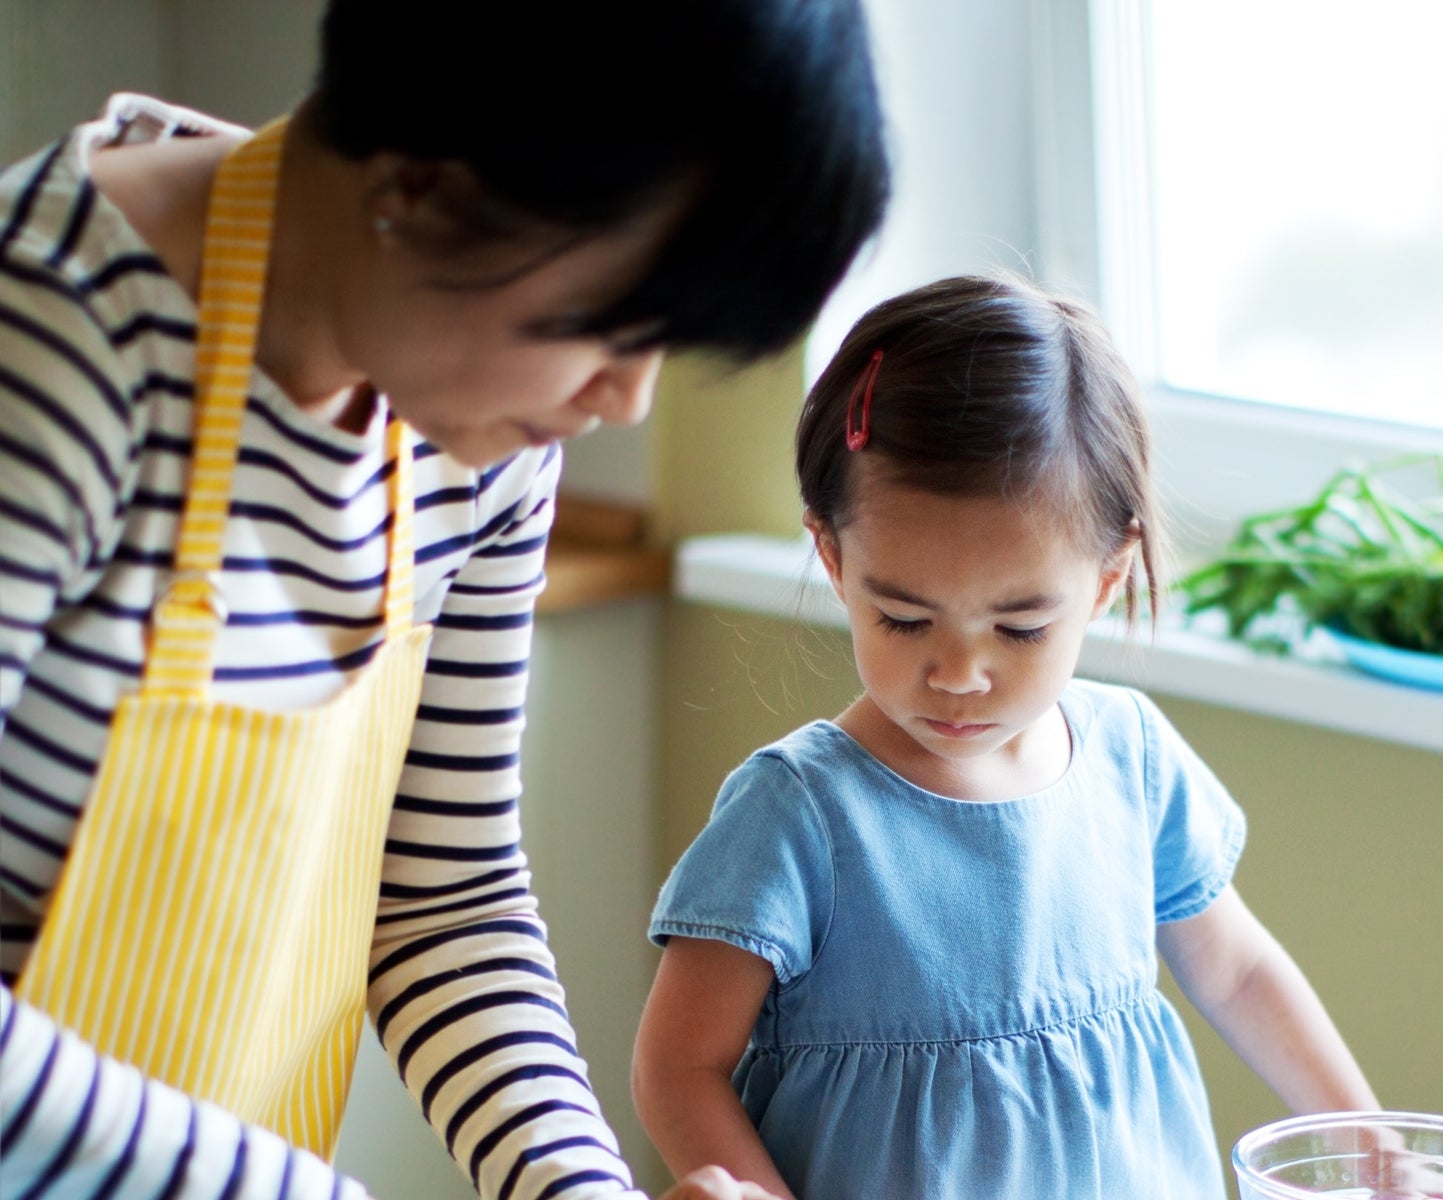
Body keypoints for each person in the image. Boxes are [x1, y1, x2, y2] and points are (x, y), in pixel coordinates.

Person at [0, 3, 888, 1199]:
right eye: (610, 324)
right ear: (421, 183)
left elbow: (443, 895)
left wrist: (576, 1186)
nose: (624, 401)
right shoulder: (52, 343)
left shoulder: (479, 442)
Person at [631, 275, 1380, 1198]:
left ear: (1106, 582)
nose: (958, 675)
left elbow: (1237, 973)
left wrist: (1369, 1143)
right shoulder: (798, 811)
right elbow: (679, 1067)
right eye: (904, 619)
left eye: (1020, 628)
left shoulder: (1132, 759)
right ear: (833, 558)